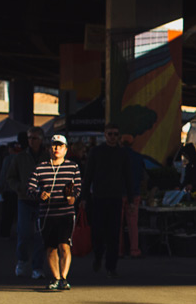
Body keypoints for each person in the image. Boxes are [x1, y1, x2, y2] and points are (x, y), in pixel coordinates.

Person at [28, 135, 82, 291]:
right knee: (50, 247)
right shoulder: (40, 168)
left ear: (66, 149)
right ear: (48, 148)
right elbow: (30, 188)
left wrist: (72, 197)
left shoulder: (73, 167)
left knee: (64, 245)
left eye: (60, 146)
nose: (56, 148)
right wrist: (40, 194)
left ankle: (64, 278)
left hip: (65, 213)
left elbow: (78, 187)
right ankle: (56, 278)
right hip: (47, 214)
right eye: (54, 146)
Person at [82, 123, 131, 277]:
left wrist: (130, 198)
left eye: (115, 134)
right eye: (110, 134)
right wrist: (83, 197)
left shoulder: (123, 153)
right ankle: (97, 256)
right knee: (97, 232)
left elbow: (128, 177)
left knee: (114, 234)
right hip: (98, 198)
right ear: (105, 135)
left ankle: (111, 266)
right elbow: (88, 175)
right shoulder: (96, 152)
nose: (112, 137)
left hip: (115, 198)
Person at [5, 127, 48, 279]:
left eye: (34, 138)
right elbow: (10, 177)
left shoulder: (48, 157)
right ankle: (22, 261)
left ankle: (37, 266)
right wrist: (20, 188)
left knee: (40, 235)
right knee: (23, 233)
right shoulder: (20, 157)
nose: (31, 141)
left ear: (41, 139)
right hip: (25, 199)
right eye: (29, 138)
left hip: (43, 200)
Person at [120, 136, 145, 257]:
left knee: (117, 224)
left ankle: (119, 250)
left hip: (119, 193)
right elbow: (142, 176)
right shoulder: (138, 157)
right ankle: (134, 249)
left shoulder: (117, 156)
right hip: (134, 193)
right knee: (133, 224)